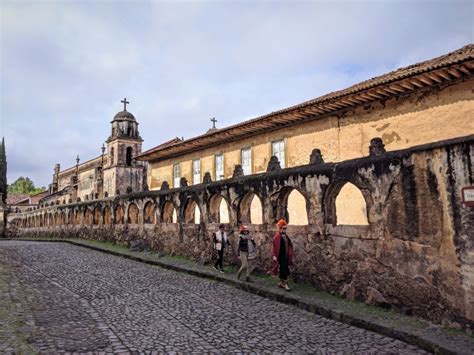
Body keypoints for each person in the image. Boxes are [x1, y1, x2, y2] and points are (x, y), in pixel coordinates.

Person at [271, 219, 293, 291]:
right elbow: (274, 246)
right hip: (280, 256)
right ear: (280, 228)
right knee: (284, 270)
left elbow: (289, 244)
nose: (284, 230)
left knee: (283, 269)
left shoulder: (286, 236)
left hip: (286, 256)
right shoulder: (277, 237)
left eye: (285, 228)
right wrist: (274, 255)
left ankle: (281, 283)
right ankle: (285, 284)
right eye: (283, 228)